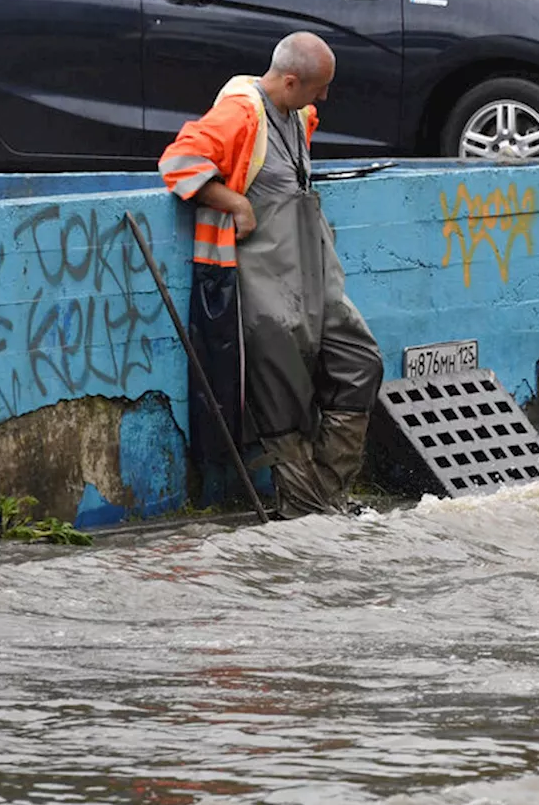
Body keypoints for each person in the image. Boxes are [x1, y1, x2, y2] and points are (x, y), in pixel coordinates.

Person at [158, 31, 384, 519]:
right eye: (317, 87)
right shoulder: (241, 114)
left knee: (360, 362)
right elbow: (178, 161)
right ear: (288, 80)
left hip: (313, 276)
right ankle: (306, 516)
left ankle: (324, 494)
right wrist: (234, 202)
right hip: (262, 285)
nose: (323, 98)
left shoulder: (299, 114)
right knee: (283, 402)